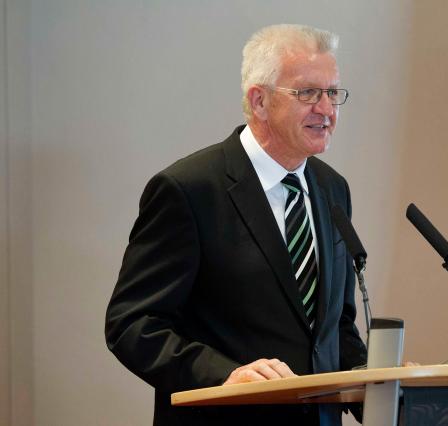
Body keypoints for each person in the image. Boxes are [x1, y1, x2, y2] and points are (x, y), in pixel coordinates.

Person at [105, 24, 367, 426]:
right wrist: (225, 376)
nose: (327, 110)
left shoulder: (333, 189)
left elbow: (335, 329)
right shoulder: (189, 190)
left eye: (333, 93)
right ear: (259, 101)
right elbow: (133, 325)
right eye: (308, 93)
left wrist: (382, 386)